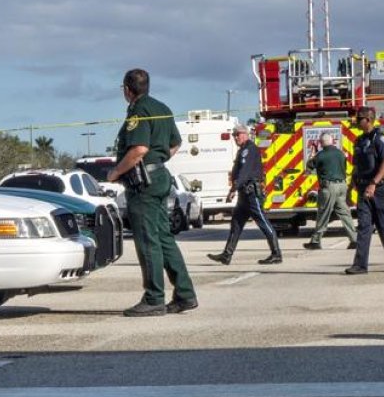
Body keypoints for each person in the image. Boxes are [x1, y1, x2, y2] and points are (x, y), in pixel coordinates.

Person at [107, 68, 197, 317]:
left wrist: (115, 172)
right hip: (159, 178)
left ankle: (154, 297)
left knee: (148, 241)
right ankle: (185, 294)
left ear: (127, 89)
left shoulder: (139, 110)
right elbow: (175, 143)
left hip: (143, 183)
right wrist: (160, 160)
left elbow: (139, 149)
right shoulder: (163, 107)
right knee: (164, 238)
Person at [207, 123, 283, 266]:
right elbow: (237, 172)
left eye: (238, 134)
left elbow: (245, 172)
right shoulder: (242, 150)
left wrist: (233, 189)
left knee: (263, 223)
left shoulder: (250, 149)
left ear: (245, 134)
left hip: (251, 193)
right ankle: (226, 255)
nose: (235, 137)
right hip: (244, 195)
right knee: (236, 224)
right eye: (234, 135)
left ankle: (276, 254)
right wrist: (234, 189)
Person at [344, 107, 384, 274]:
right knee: (363, 227)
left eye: (359, 119)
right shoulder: (359, 141)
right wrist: (350, 188)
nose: (356, 121)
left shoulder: (380, 139)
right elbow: (356, 167)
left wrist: (374, 183)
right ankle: (360, 265)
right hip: (363, 189)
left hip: (378, 190)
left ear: (368, 120)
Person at [304, 132, 357, 250]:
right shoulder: (341, 154)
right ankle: (354, 239)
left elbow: (308, 168)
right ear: (332, 142)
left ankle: (316, 241)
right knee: (344, 213)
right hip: (342, 185)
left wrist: (312, 154)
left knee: (323, 213)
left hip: (329, 187)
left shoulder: (320, 155)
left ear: (321, 143)